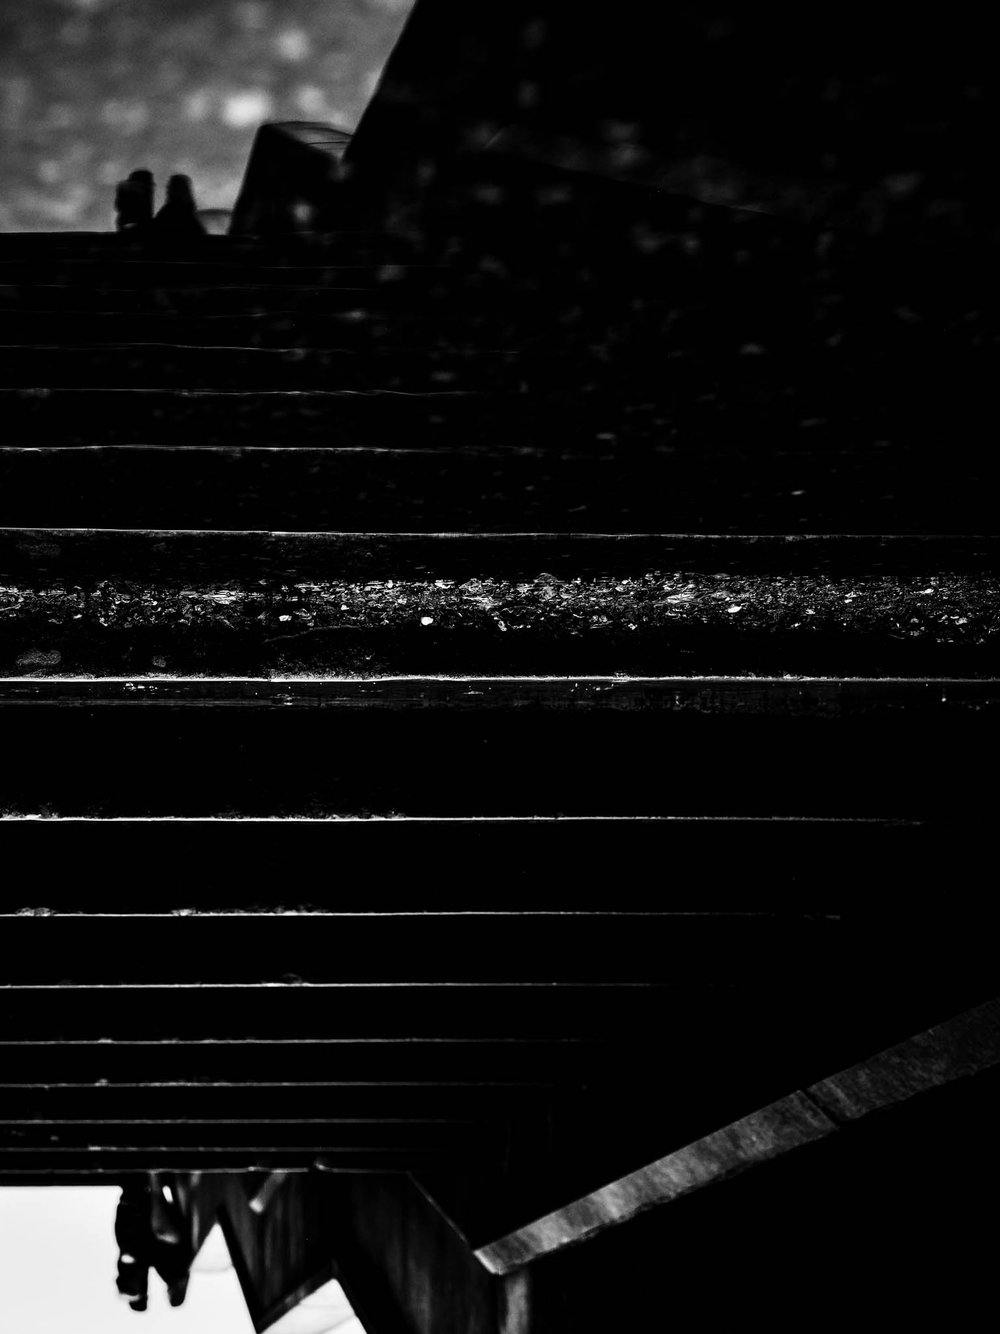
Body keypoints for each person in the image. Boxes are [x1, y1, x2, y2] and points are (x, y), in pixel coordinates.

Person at [115, 1173, 194, 1311]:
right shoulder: (151, 1261)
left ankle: (154, 1176)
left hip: (136, 1202)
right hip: (143, 1205)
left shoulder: (132, 1258)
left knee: (161, 1232)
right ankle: (154, 1177)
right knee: (163, 1233)